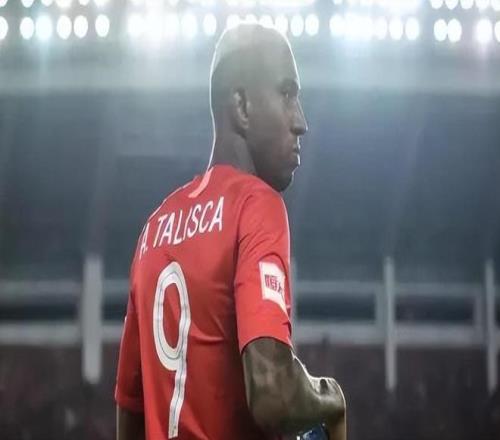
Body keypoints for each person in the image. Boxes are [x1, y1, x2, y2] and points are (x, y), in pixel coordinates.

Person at [115, 22, 347, 440]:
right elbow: (273, 393)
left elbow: (130, 412)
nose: (301, 122)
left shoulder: (153, 230)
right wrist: (329, 397)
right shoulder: (256, 205)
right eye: (287, 95)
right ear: (241, 106)